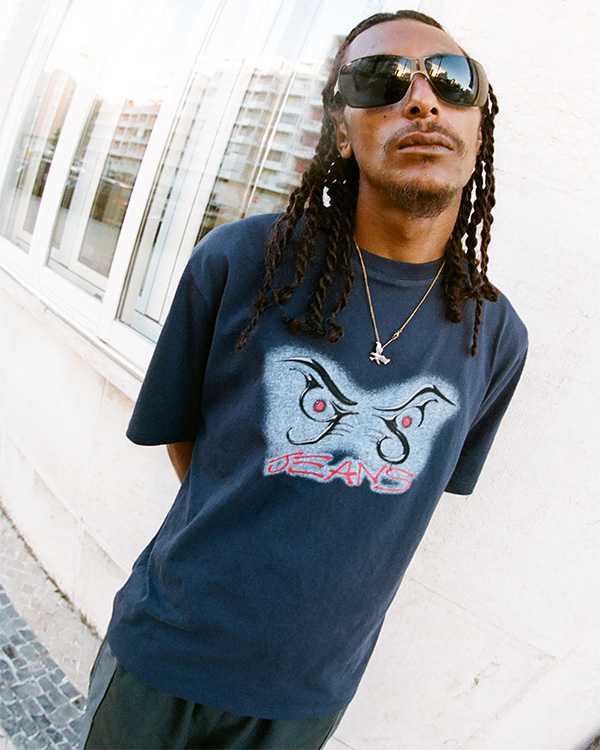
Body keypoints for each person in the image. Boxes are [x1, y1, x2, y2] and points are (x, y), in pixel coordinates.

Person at [80, 9, 528, 750]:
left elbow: (395, 506)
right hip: (165, 654)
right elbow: (191, 445)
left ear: (478, 126)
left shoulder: (496, 337)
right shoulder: (238, 263)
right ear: (343, 132)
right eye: (381, 80)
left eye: (451, 81)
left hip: (308, 696)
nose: (422, 101)